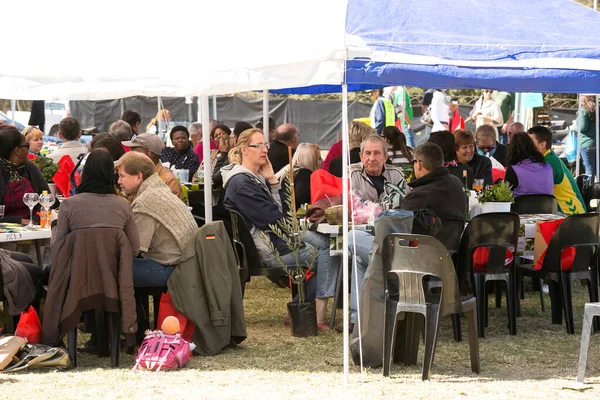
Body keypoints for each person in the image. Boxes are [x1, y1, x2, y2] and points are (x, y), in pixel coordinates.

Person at [221, 129, 338, 330]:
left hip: (274, 239)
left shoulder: (253, 178)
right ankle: (310, 313)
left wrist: (274, 182)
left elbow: (280, 215)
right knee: (322, 255)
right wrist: (295, 235)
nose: (264, 150)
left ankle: (301, 310)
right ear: (243, 150)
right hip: (267, 249)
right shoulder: (242, 183)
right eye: (257, 145)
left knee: (329, 244)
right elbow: (275, 220)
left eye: (265, 144)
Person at [48, 150, 141, 350]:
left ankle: (58, 336)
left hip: (77, 280)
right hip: (113, 278)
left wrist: (54, 225)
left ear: (85, 173)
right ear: (111, 174)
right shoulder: (123, 205)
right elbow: (134, 249)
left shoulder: (69, 206)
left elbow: (58, 249)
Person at [116, 152, 198, 288]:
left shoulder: (146, 202)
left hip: (174, 270)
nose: (119, 181)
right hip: (185, 265)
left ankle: (130, 310)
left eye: (122, 176)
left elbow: (133, 249)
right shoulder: (158, 189)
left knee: (110, 269)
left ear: (139, 176)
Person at [0, 127, 55, 224]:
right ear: (18, 150)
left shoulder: (30, 168)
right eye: (27, 145)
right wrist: (19, 221)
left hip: (33, 228)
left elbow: (47, 199)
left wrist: (35, 220)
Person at [528, 126, 586, 214]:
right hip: (568, 214)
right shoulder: (548, 157)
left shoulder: (548, 162)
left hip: (571, 215)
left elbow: (534, 190)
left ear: (542, 145)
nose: (525, 144)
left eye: (529, 141)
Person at [402, 142, 466, 222]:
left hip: (432, 234)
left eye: (413, 162)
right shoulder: (457, 183)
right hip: (456, 234)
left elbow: (400, 225)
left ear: (419, 164)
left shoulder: (418, 195)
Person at [122, 133, 183, 200]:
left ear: (148, 153)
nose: (129, 153)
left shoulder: (169, 181)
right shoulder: (136, 175)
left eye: (134, 150)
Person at [350, 134, 406, 206]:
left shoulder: (396, 174)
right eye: (368, 153)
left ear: (385, 157)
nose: (372, 159)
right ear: (361, 157)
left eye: (377, 153)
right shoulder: (352, 174)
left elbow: (406, 203)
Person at [504, 132, 553, 198]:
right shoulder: (548, 167)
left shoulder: (513, 169)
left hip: (519, 207)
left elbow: (505, 194)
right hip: (547, 207)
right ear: (532, 146)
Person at [275, 143, 322, 210]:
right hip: (288, 215)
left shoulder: (289, 170)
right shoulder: (304, 173)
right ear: (311, 160)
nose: (322, 161)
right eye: (319, 158)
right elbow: (301, 197)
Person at [577, 95, 598, 179]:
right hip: (597, 143)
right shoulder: (597, 110)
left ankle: (590, 190)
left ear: (584, 99)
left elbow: (582, 127)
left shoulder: (584, 111)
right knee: (597, 169)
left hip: (586, 144)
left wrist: (574, 127)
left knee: (589, 170)